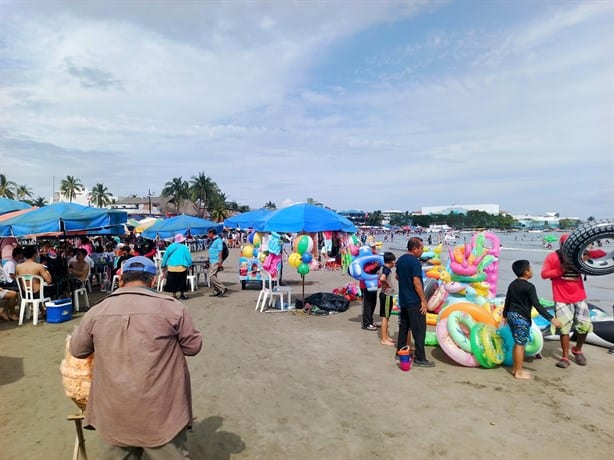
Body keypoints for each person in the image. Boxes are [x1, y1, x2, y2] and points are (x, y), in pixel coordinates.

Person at [69, 256, 202, 459]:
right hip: (162, 412)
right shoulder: (173, 308)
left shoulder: (96, 311)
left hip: (114, 413)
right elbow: (193, 347)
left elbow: (77, 350)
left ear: (121, 279)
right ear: (154, 281)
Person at [502, 260, 561, 379]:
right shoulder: (529, 287)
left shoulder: (512, 284)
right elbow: (537, 305)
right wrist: (551, 318)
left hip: (512, 315)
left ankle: (515, 369)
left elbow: (507, 300)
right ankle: (519, 372)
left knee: (517, 343)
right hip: (521, 318)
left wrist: (505, 315)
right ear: (526, 272)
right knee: (520, 344)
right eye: (530, 269)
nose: (532, 271)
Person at [541, 233, 592, 368]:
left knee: (585, 326)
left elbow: (600, 255)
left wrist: (588, 257)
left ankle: (577, 350)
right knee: (564, 328)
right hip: (561, 297)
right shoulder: (553, 257)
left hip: (579, 296)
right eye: (567, 245)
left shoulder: (579, 257)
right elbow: (544, 274)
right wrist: (561, 269)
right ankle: (564, 357)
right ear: (562, 245)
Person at [395, 237, 434, 367]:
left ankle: (400, 351)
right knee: (419, 330)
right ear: (415, 248)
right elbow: (417, 283)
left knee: (404, 327)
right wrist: (423, 300)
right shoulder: (415, 262)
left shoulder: (401, 260)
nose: (422, 251)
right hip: (414, 300)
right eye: (421, 248)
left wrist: (405, 284)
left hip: (404, 299)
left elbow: (397, 276)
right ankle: (420, 358)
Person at [161, 234, 192, 300]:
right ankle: (182, 295)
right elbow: (188, 258)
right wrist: (190, 264)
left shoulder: (170, 247)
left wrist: (163, 265)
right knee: (182, 281)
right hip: (182, 267)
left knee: (173, 282)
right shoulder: (184, 247)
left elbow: (165, 257)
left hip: (172, 267)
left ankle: (174, 295)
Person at [360, 242, 381, 331]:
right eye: (371, 248)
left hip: (373, 283)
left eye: (374, 247)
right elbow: (364, 270)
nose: (373, 249)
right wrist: (374, 266)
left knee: (373, 302)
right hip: (365, 284)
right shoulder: (363, 258)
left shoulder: (374, 256)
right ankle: (366, 323)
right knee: (368, 303)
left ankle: (370, 321)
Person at [378, 251, 397, 346]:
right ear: (392, 261)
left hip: (384, 294)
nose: (395, 263)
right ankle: (383, 339)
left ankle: (386, 336)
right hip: (386, 295)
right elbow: (382, 278)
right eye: (394, 261)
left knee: (387, 316)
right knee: (385, 317)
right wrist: (388, 284)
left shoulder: (383, 268)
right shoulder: (386, 269)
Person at [207, 228, 227, 297]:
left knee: (211, 276)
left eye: (208, 233)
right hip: (212, 260)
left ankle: (222, 288)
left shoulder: (218, 240)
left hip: (215, 261)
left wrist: (220, 261)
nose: (207, 235)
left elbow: (220, 251)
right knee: (213, 276)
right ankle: (216, 291)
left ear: (212, 233)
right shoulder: (213, 240)